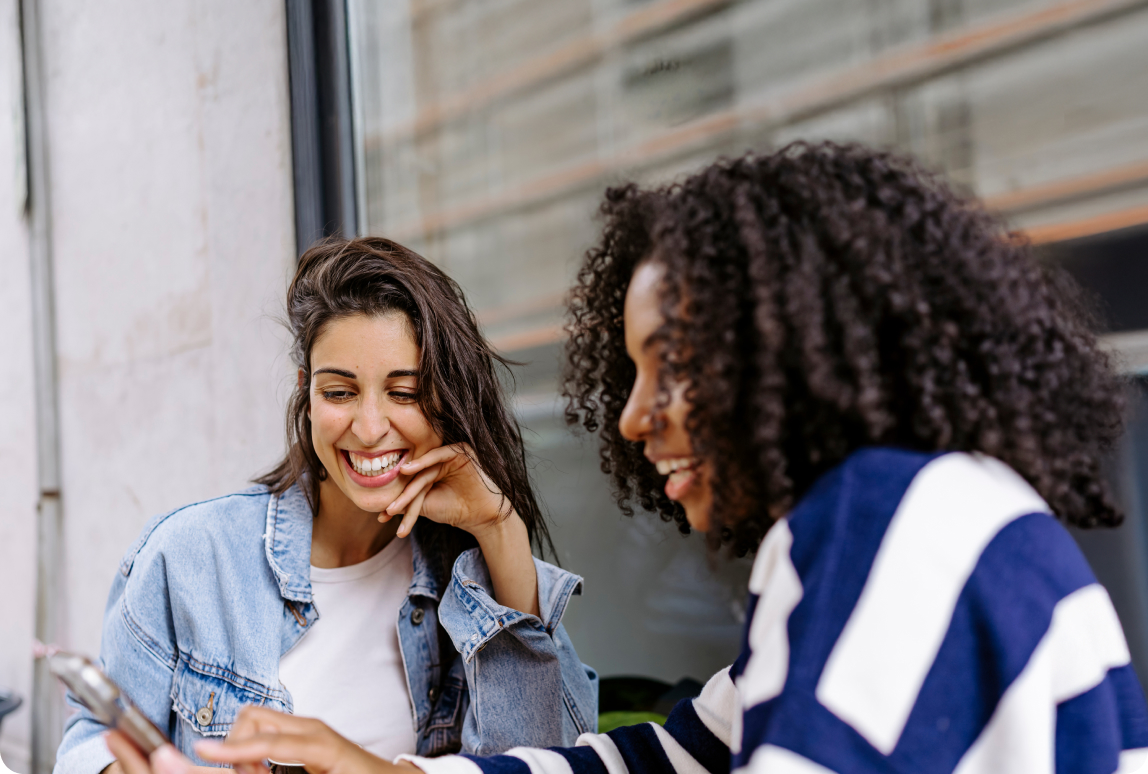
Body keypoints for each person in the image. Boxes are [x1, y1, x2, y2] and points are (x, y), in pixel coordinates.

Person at [111, 144, 1148, 774]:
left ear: (781, 356)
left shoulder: (883, 525)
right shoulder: (913, 521)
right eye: (336, 391)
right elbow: (639, 761)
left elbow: (554, 733)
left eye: (675, 367)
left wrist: (500, 541)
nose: (630, 417)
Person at [57, 237, 597, 774]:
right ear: (307, 395)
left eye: (404, 393)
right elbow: (90, 743)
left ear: (446, 401)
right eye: (339, 392)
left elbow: (553, 761)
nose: (367, 428)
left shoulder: (469, 579)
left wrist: (501, 529)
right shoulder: (191, 557)